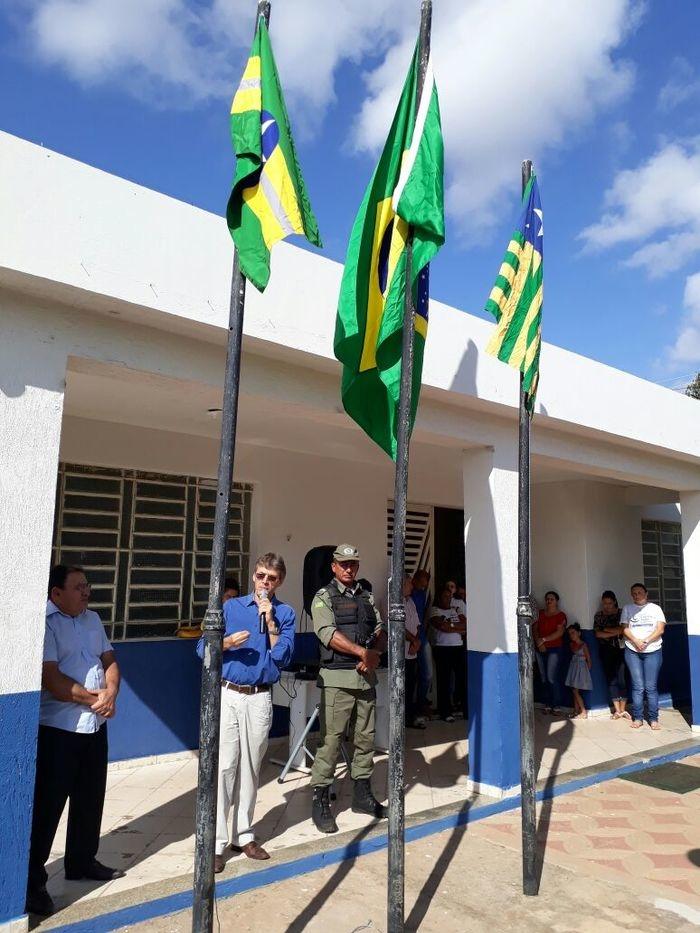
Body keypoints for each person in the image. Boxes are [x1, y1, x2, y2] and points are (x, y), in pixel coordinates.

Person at [26, 565, 125, 918]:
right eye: (79, 587)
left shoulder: (92, 619)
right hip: (59, 729)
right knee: (47, 807)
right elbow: (52, 679)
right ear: (56, 593)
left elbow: (109, 659)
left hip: (95, 725)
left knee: (90, 797)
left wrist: (110, 691)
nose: (86, 592)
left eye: (87, 586)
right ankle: (32, 883)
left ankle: (82, 861)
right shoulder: (46, 624)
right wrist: (94, 699)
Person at [197, 553, 295, 870]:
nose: (264, 583)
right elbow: (202, 649)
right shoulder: (231, 607)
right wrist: (224, 644)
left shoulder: (285, 613)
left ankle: (244, 834)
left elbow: (282, 657)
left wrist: (270, 621)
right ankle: (216, 842)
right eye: (260, 576)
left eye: (271, 578)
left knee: (252, 768)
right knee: (225, 766)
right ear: (253, 576)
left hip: (259, 697)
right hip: (229, 693)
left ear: (279, 582)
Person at [310, 544, 387, 834]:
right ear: (334, 566)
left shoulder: (366, 596)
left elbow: (379, 629)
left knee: (365, 739)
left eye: (353, 563)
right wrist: (361, 653)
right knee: (330, 741)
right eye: (343, 563)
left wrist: (375, 653)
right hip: (337, 680)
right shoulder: (323, 597)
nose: (348, 568)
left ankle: (362, 795)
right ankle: (320, 800)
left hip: (365, 679)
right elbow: (327, 634)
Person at [621, 583, 665, 730]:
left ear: (646, 594)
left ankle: (653, 718)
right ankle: (638, 717)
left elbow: (660, 629)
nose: (636, 595)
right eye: (634, 593)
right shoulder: (627, 608)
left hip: (652, 650)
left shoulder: (655, 609)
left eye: (639, 592)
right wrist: (636, 641)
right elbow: (625, 628)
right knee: (638, 686)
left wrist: (645, 641)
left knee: (650, 687)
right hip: (632, 650)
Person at [429, 585, 467, 722]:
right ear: (439, 597)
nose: (448, 599)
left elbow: (466, 625)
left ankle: (464, 708)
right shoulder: (435, 610)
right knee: (444, 681)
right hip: (442, 648)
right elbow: (441, 626)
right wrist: (457, 628)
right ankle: (445, 711)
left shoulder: (456, 609)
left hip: (458, 648)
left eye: (450, 597)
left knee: (461, 678)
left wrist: (450, 625)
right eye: (445, 596)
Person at [593, 590, 629, 719]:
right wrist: (615, 631)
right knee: (611, 679)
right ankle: (617, 710)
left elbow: (623, 630)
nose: (607, 606)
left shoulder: (622, 613)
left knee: (622, 679)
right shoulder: (599, 616)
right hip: (606, 650)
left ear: (614, 601)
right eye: (604, 603)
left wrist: (606, 630)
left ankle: (624, 708)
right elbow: (597, 634)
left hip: (621, 649)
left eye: (609, 603)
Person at [533, 590, 567, 715]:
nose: (549, 601)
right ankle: (547, 703)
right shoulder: (540, 613)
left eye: (551, 599)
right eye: (547, 599)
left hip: (554, 649)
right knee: (543, 677)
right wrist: (538, 642)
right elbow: (535, 628)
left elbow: (560, 632)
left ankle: (557, 704)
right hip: (540, 648)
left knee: (552, 677)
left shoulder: (561, 615)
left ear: (556, 601)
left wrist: (544, 640)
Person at [403, 573, 425, 730]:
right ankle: (401, 718)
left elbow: (417, 624)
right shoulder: (390, 600)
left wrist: (416, 641)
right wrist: (413, 640)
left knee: (411, 686)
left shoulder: (410, 601)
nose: (412, 586)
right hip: (401, 652)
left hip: (412, 651)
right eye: (409, 583)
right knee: (401, 687)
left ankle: (410, 717)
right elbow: (396, 626)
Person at [411, 569, 433, 717]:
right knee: (410, 675)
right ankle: (414, 707)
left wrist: (422, 631)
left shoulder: (422, 593)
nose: (424, 586)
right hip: (410, 638)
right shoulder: (409, 594)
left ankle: (421, 702)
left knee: (427, 674)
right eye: (424, 581)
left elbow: (424, 614)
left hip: (421, 636)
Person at [565, 623, 592, 719]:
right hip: (574, 668)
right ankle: (576, 711)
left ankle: (583, 711)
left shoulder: (583, 645)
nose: (571, 635)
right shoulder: (572, 645)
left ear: (579, 633)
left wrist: (586, 672)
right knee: (574, 690)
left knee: (575, 691)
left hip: (581, 669)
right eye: (570, 634)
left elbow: (588, 659)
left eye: (573, 633)